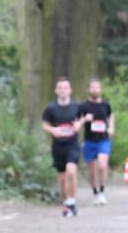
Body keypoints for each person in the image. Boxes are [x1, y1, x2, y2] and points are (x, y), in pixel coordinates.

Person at [42, 78, 87, 217]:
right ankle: (66, 203)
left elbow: (83, 118)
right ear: (56, 90)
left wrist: (79, 124)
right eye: (60, 88)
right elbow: (45, 124)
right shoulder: (51, 108)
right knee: (61, 179)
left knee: (71, 171)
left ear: (70, 90)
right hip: (57, 146)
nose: (63, 90)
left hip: (72, 144)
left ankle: (72, 202)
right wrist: (52, 130)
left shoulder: (77, 105)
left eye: (65, 87)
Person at [79, 78, 115, 205]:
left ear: (100, 89)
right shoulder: (83, 106)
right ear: (88, 90)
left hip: (103, 140)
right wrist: (84, 119)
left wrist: (111, 127)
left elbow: (110, 115)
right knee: (92, 169)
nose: (95, 90)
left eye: (97, 87)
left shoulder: (105, 104)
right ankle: (95, 192)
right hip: (89, 141)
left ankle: (102, 192)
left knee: (102, 165)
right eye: (92, 87)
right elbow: (77, 123)